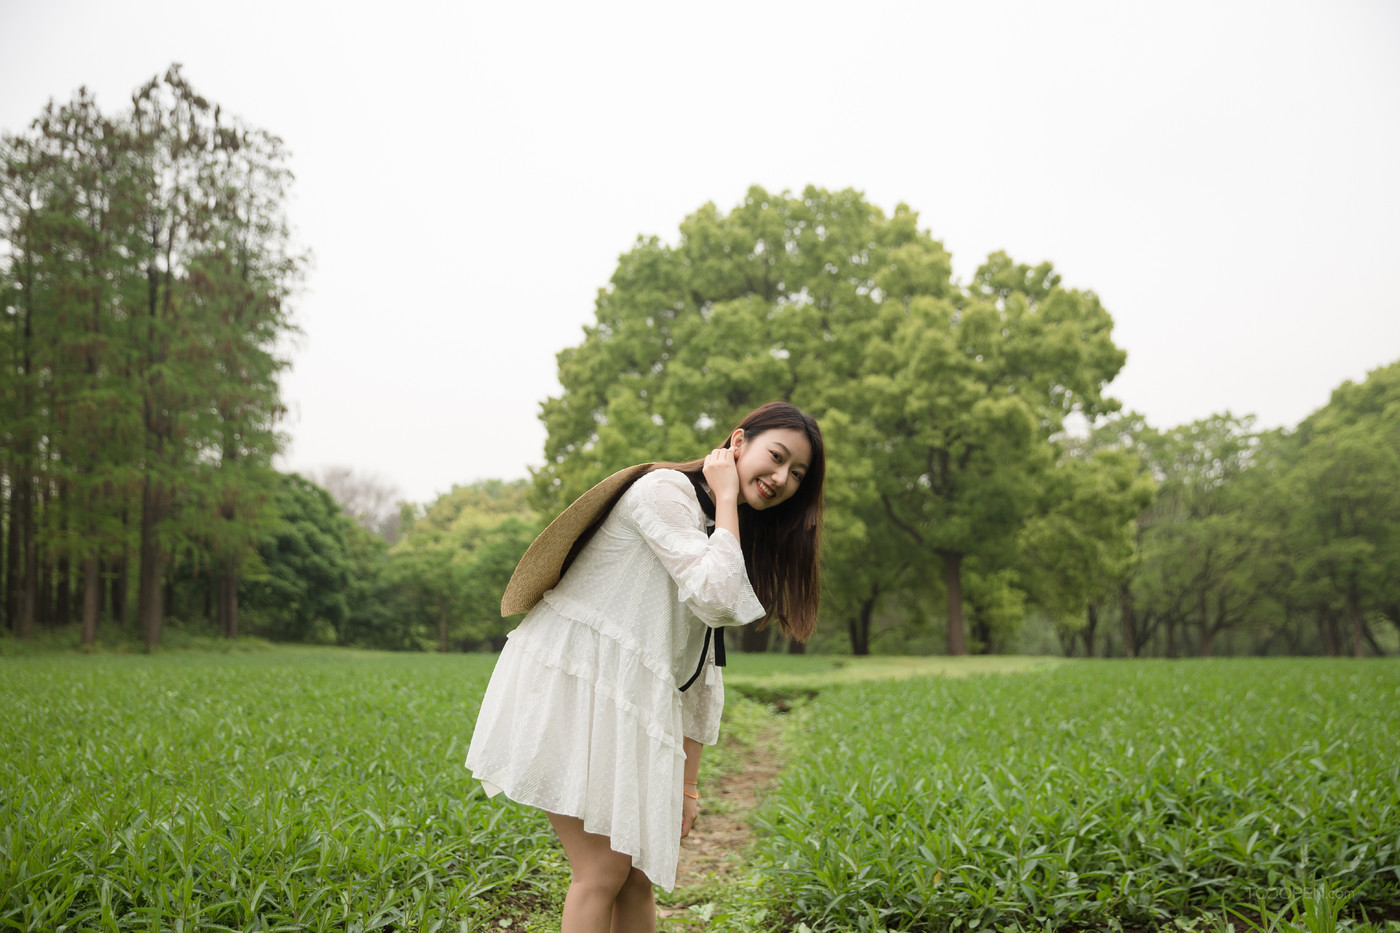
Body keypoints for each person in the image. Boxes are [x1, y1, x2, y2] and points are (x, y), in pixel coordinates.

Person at [465, 400, 825, 933]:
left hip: (616, 695)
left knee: (635, 875)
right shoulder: (665, 494)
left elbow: (700, 668)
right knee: (602, 869)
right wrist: (727, 496)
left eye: (797, 475)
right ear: (738, 441)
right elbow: (716, 597)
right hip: (571, 682)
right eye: (776, 457)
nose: (780, 478)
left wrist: (689, 786)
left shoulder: (715, 530)